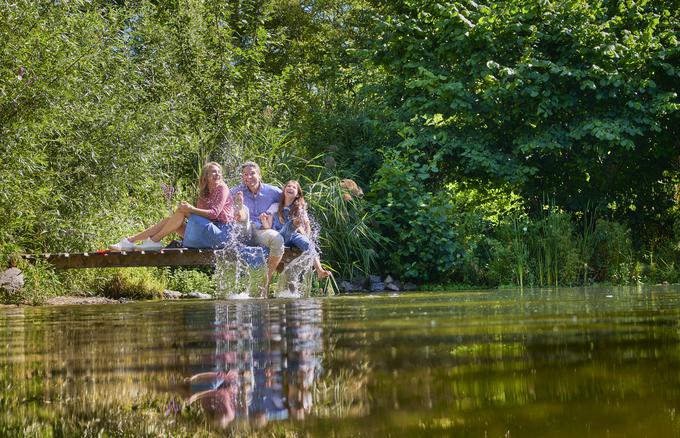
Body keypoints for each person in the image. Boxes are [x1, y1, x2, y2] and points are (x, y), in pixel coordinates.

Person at [109, 161, 235, 251]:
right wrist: (188, 210)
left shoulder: (222, 187)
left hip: (221, 235)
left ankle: (153, 241)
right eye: (213, 172)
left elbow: (214, 213)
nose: (217, 174)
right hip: (206, 233)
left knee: (182, 212)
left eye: (219, 172)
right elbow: (201, 218)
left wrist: (189, 209)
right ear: (206, 177)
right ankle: (130, 241)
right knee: (171, 221)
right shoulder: (203, 192)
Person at [230, 161, 284, 295]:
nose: (249, 177)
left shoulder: (272, 191)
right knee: (243, 211)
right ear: (242, 177)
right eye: (245, 174)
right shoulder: (236, 191)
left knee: (278, 239)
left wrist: (274, 210)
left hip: (262, 231)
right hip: (244, 229)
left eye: (252, 173)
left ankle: (265, 281)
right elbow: (221, 207)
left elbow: (292, 200)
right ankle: (240, 209)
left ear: (259, 175)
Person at [260, 180, 331, 279]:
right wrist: (263, 220)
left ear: (297, 194)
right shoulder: (275, 206)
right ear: (284, 190)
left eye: (294, 187)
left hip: (295, 237)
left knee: (308, 244)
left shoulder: (299, 208)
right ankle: (293, 224)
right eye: (288, 186)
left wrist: (306, 236)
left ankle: (319, 270)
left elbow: (307, 225)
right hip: (280, 236)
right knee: (289, 226)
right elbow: (268, 227)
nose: (290, 188)